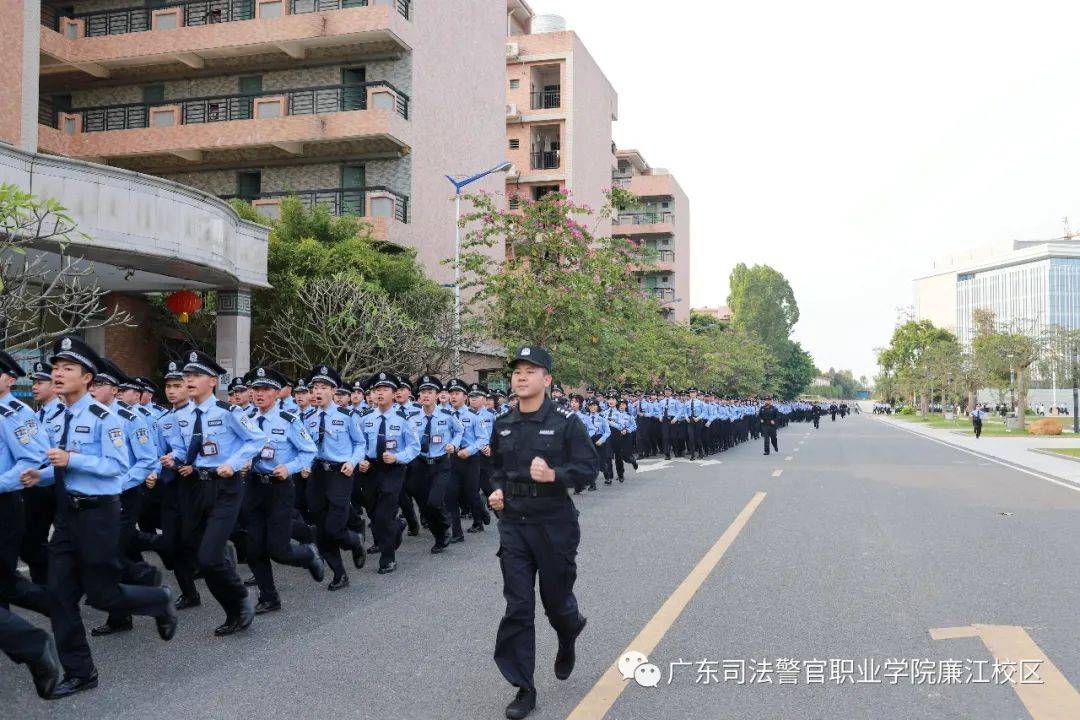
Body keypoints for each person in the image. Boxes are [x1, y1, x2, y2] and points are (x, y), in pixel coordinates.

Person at [20, 336, 177, 699]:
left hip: (99, 515)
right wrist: (39, 475)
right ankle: (80, 672)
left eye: (67, 369)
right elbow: (58, 465)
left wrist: (72, 460)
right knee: (59, 596)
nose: (58, 374)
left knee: (102, 595)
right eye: (56, 368)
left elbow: (116, 467)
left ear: (87, 377)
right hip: (67, 516)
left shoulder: (106, 418)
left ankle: (157, 601)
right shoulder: (58, 418)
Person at [487, 346, 598, 719]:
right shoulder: (503, 423)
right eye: (517, 370)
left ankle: (568, 632)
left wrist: (555, 476)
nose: (520, 376)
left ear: (547, 380)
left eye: (530, 370)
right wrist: (495, 491)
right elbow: (495, 469)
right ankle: (524, 687)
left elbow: (588, 468)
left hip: (554, 525)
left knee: (556, 602)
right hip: (514, 525)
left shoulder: (567, 423)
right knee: (518, 606)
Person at [161, 350, 264, 636]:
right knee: (200, 554)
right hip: (195, 486)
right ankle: (233, 603)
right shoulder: (183, 416)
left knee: (208, 557)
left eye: (195, 376)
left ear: (212, 381)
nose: (189, 380)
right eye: (187, 376)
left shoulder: (229, 412)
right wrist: (175, 458)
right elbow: (184, 449)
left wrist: (232, 463)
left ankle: (240, 602)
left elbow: (256, 439)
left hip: (225, 487)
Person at [355, 371, 419, 574]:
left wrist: (398, 457)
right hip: (371, 469)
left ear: (394, 393)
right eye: (377, 390)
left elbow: (414, 447)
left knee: (384, 514)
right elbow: (359, 444)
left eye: (385, 389)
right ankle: (396, 526)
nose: (380, 393)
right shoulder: (366, 419)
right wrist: (362, 459)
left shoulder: (403, 419)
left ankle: (388, 556)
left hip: (393, 469)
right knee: (374, 513)